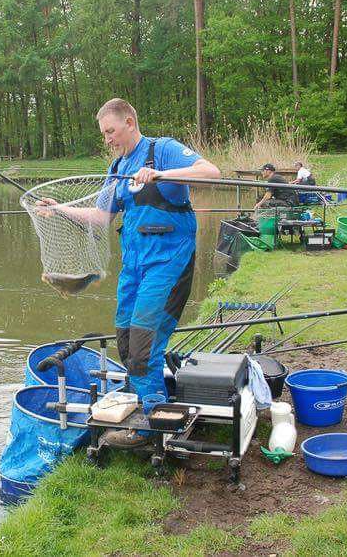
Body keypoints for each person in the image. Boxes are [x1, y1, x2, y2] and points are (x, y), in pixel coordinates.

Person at [41, 98, 220, 449]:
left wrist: (161, 174)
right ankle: (151, 402)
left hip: (168, 263)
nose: (107, 139)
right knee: (125, 341)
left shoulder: (162, 149)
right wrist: (60, 209)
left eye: (110, 131)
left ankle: (151, 428)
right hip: (133, 267)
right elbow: (100, 217)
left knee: (143, 347)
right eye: (104, 134)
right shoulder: (117, 168)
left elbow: (211, 172)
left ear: (129, 122)